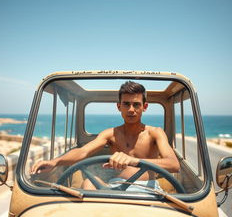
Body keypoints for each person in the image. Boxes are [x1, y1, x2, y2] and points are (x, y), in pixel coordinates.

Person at [31, 81, 180, 190]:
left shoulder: (155, 133)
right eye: (126, 104)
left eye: (136, 105)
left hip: (147, 190)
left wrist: (133, 160)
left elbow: (174, 165)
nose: (131, 109)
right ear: (119, 106)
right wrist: (55, 162)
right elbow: (83, 152)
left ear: (144, 107)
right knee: (88, 183)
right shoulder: (111, 134)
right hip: (116, 188)